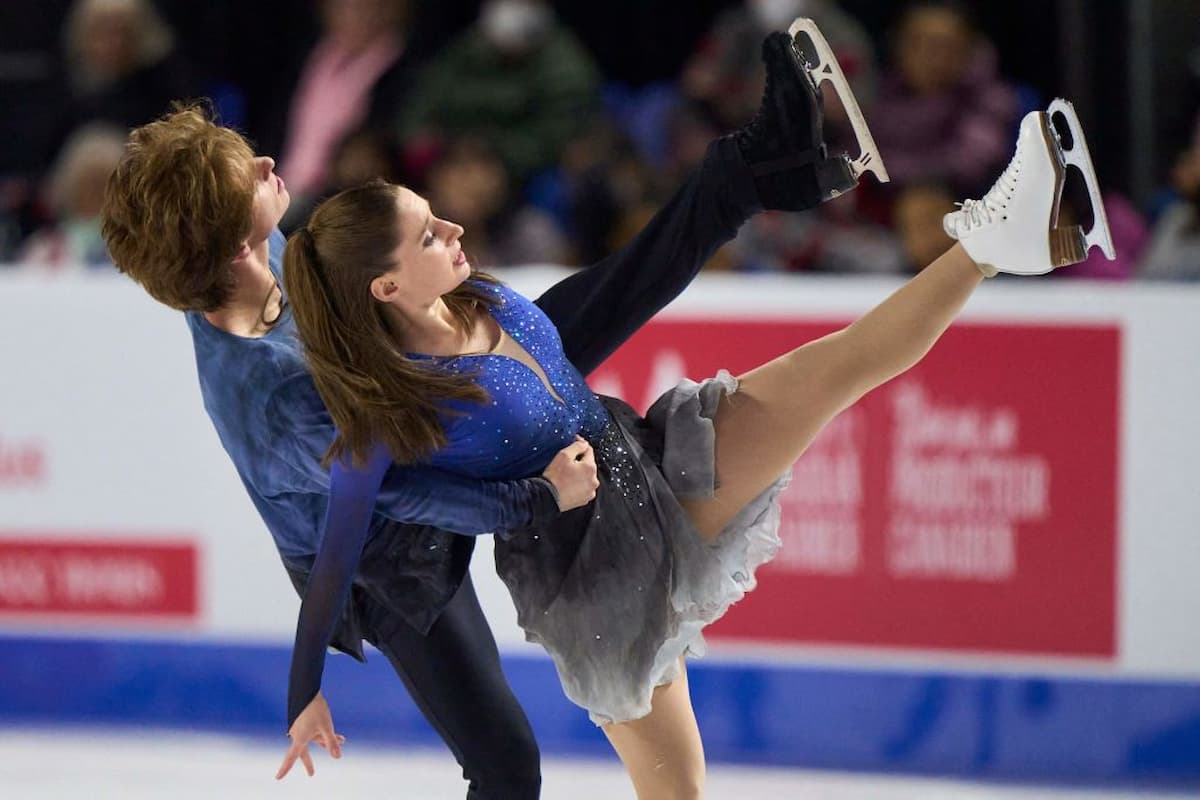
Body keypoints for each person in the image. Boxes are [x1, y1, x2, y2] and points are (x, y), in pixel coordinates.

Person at [278, 85, 1115, 800]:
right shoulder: (389, 417)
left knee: (831, 368)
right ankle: (997, 245)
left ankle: (996, 240)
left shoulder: (478, 296)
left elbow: (595, 309)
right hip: (592, 578)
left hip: (645, 456)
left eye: (437, 217)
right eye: (428, 235)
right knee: (677, 792)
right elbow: (335, 560)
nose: (454, 229)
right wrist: (305, 692)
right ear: (385, 286)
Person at [101, 24, 865, 798]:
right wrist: (540, 498)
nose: (269, 162)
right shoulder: (275, 394)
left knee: (545, 334)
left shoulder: (234, 266)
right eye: (250, 176)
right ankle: (755, 175)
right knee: (504, 761)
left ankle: (753, 174)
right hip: (388, 562)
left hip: (414, 437)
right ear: (235, 246)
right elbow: (394, 497)